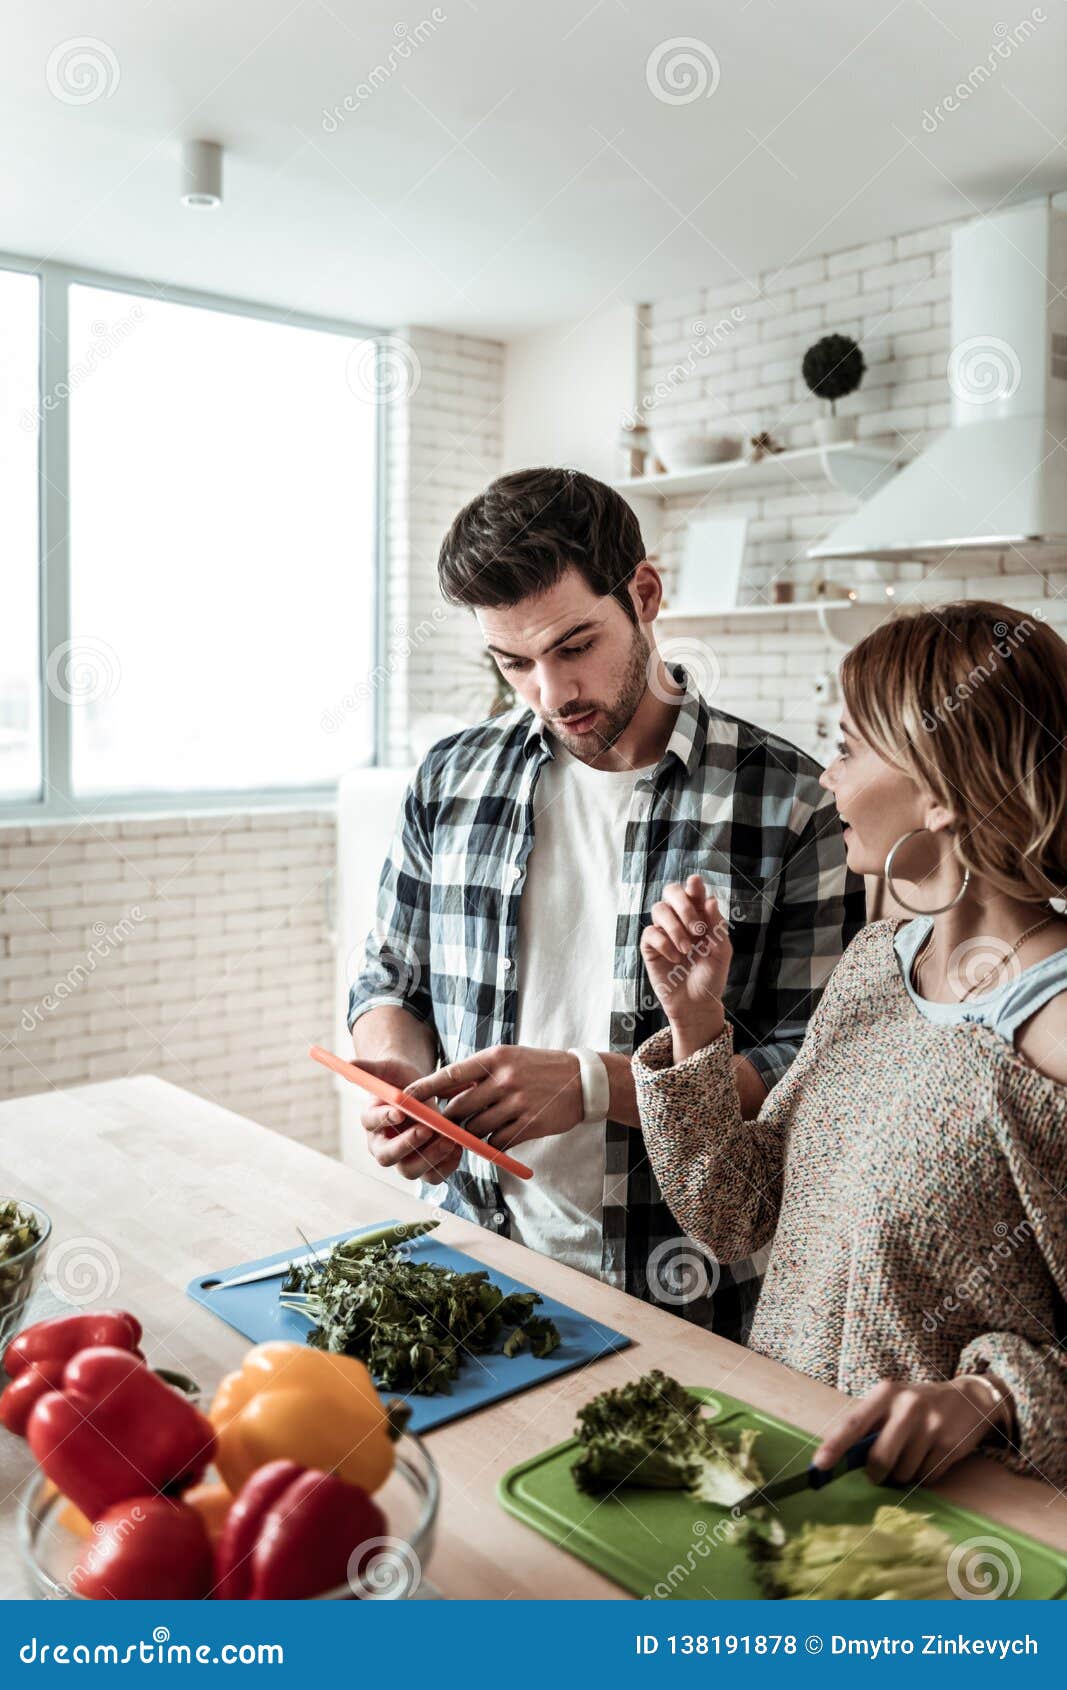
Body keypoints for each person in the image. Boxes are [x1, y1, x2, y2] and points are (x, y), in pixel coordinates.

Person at [348, 467, 864, 1341]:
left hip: (686, 1285)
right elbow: (389, 981)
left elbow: (817, 1074)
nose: (551, 693)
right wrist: (398, 1078)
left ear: (645, 594)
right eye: (514, 663)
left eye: (574, 645)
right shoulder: (450, 778)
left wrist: (594, 1085)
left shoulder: (792, 801)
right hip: (480, 1254)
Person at [633, 600, 1067, 1483]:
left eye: (845, 747)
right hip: (788, 1478)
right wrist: (695, 1023)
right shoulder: (877, 962)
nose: (826, 779)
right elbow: (738, 1211)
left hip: (958, 1544)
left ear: (940, 793)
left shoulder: (1053, 1028)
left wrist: (990, 1398)